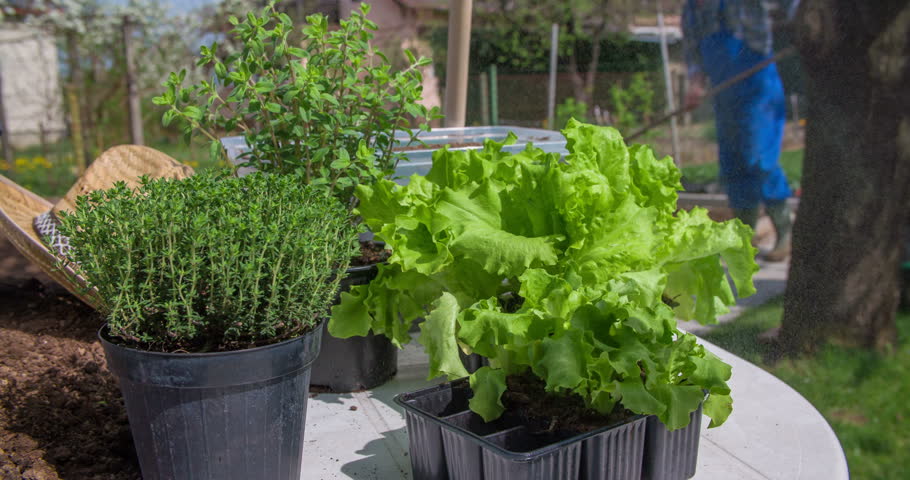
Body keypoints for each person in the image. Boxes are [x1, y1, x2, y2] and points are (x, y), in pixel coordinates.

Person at [682, 0, 799, 262]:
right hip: (725, 97)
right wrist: (695, 85)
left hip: (758, 87)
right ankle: (746, 240)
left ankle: (784, 232)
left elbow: (792, 6)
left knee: (760, 159)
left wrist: (806, 24)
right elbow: (693, 54)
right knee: (733, 164)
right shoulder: (691, 10)